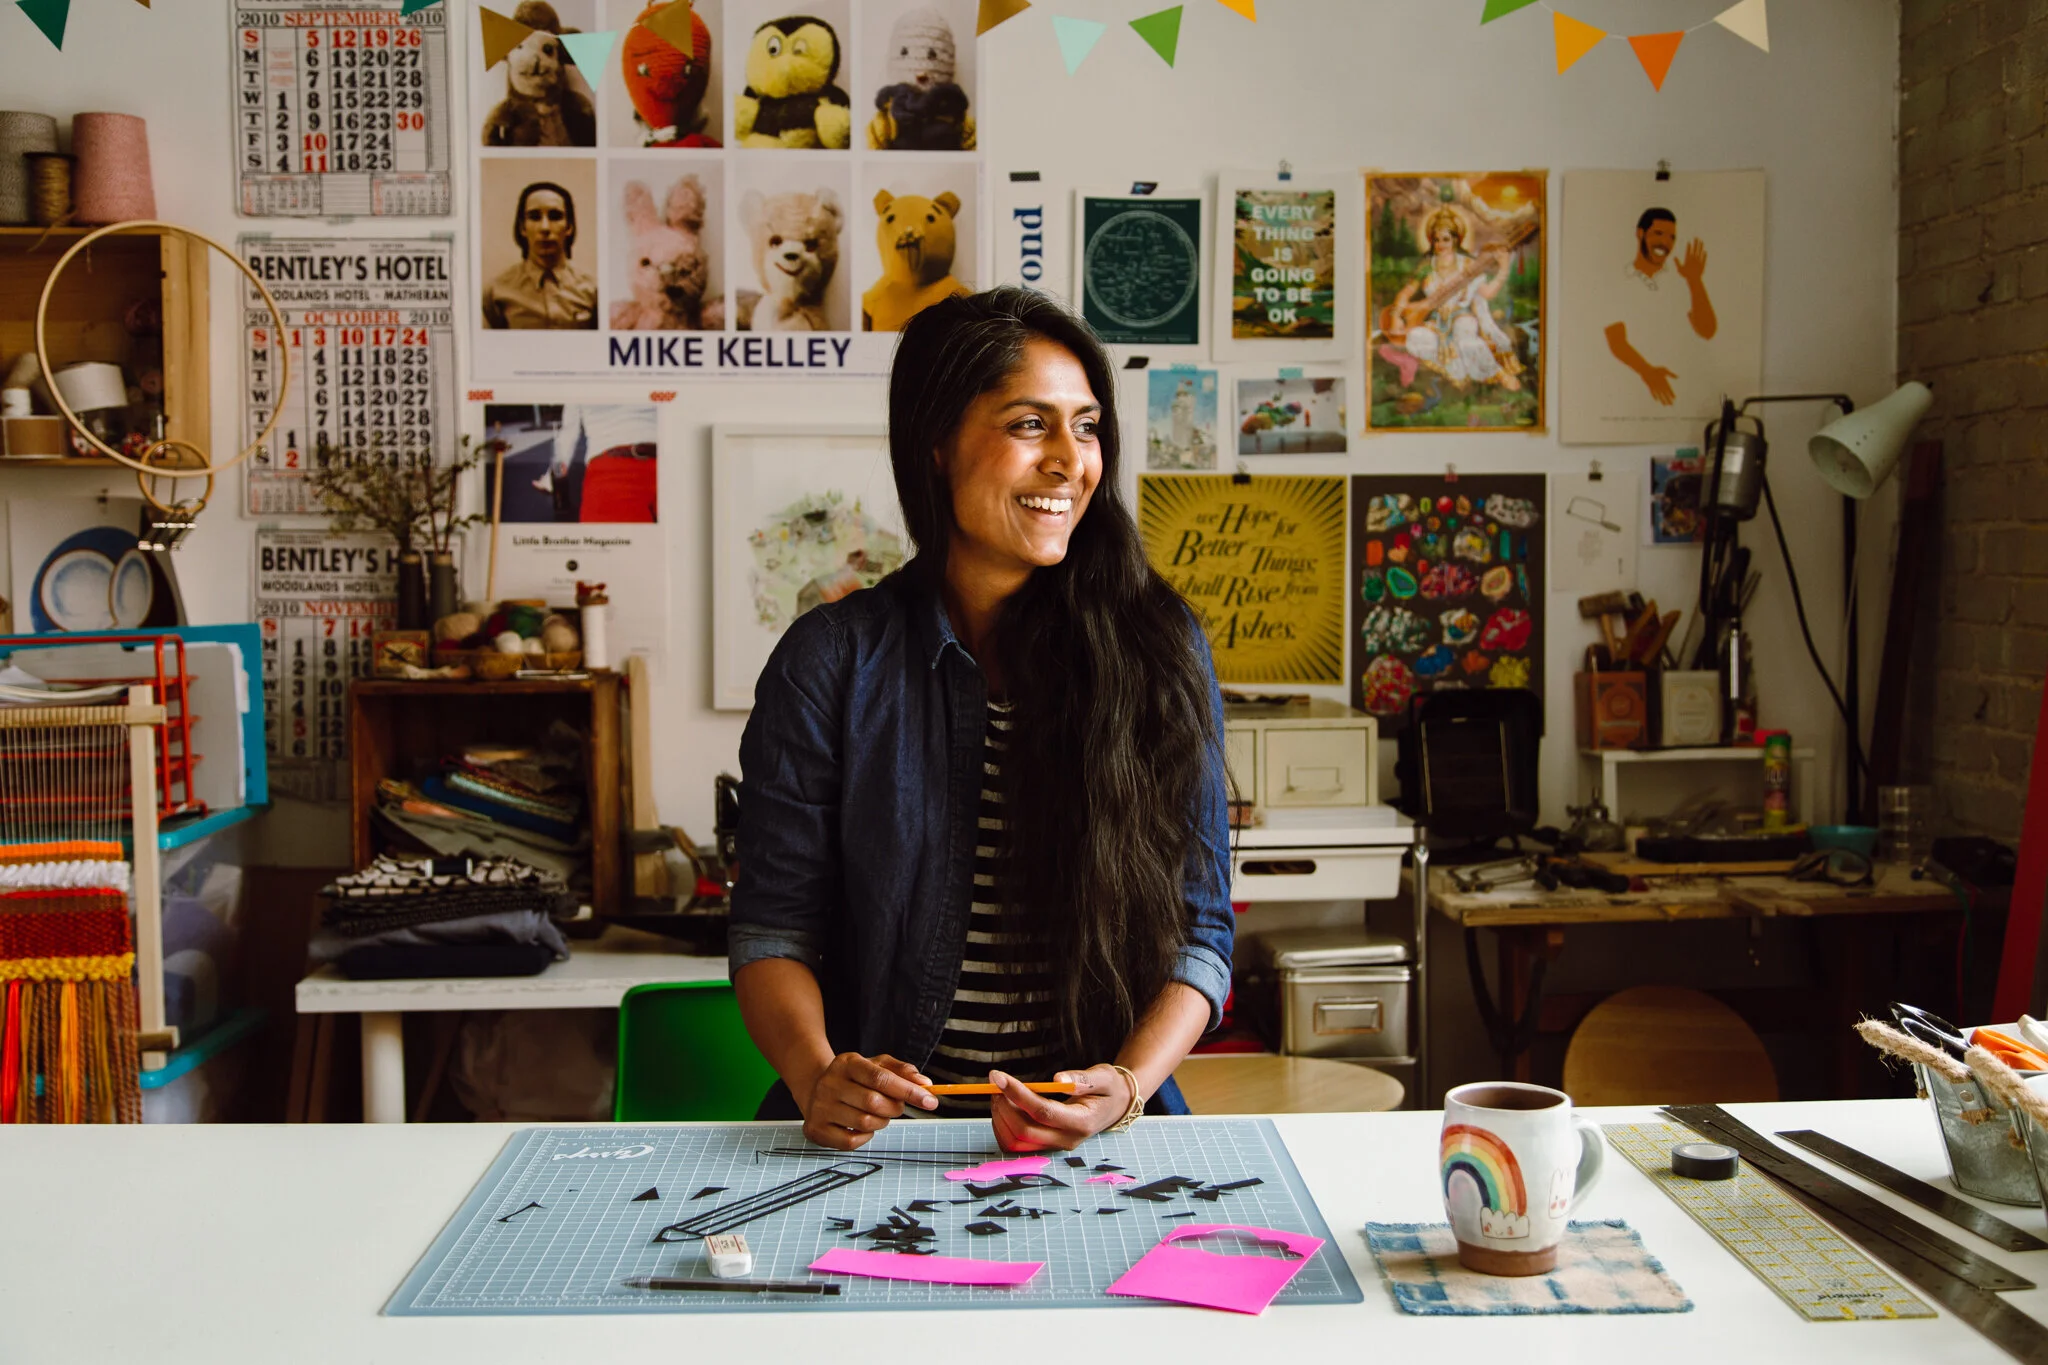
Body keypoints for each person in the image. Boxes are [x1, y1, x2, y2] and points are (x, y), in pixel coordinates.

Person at [729, 286, 1233, 1152]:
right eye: (1029, 424)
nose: (1069, 461)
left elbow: (1202, 929)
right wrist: (818, 1075)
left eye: (1085, 426)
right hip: (878, 1142)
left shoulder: (1157, 646)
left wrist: (1126, 1084)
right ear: (935, 444)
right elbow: (774, 925)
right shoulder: (830, 660)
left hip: (1097, 1137)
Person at [1384, 206, 1522, 392]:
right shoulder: (1427, 266)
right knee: (1415, 337)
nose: (1440, 244)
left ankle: (1498, 374)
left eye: (1446, 239)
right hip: (1435, 322)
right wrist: (1395, 315)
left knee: (1464, 336)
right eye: (1436, 239)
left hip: (1461, 317)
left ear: (1456, 240)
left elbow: (1487, 293)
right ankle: (1454, 371)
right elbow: (1405, 293)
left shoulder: (1468, 264)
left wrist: (1503, 269)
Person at [1604, 207, 1716, 406]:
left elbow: (1707, 330)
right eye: (1658, 233)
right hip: (1632, 396)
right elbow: (1616, 341)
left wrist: (1694, 280)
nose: (1665, 243)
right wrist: (1648, 372)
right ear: (1640, 233)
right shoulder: (1618, 281)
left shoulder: (1681, 279)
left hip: (1689, 395)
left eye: (1672, 237)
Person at [482, 182, 598, 330]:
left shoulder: (593, 290)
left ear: (569, 227)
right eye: (534, 217)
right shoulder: (496, 292)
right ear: (522, 227)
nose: (545, 227)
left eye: (555, 216)